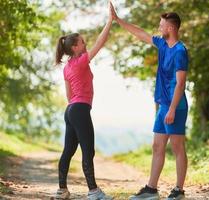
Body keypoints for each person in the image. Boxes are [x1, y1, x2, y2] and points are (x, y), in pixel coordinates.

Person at [111, 4, 188, 200]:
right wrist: (118, 21)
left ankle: (179, 190)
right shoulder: (162, 45)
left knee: (177, 147)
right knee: (157, 146)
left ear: (170, 28)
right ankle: (151, 189)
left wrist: (171, 109)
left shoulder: (180, 51)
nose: (159, 28)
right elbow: (141, 34)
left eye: (162, 25)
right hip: (164, 105)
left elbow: (180, 84)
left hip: (175, 106)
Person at [54, 2, 114, 200]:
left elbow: (69, 96)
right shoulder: (81, 61)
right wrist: (109, 21)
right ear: (74, 47)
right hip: (79, 110)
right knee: (88, 150)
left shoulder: (67, 67)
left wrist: (77, 105)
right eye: (82, 42)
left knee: (68, 151)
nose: (85, 43)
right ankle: (93, 191)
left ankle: (62, 190)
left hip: (71, 110)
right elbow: (100, 42)